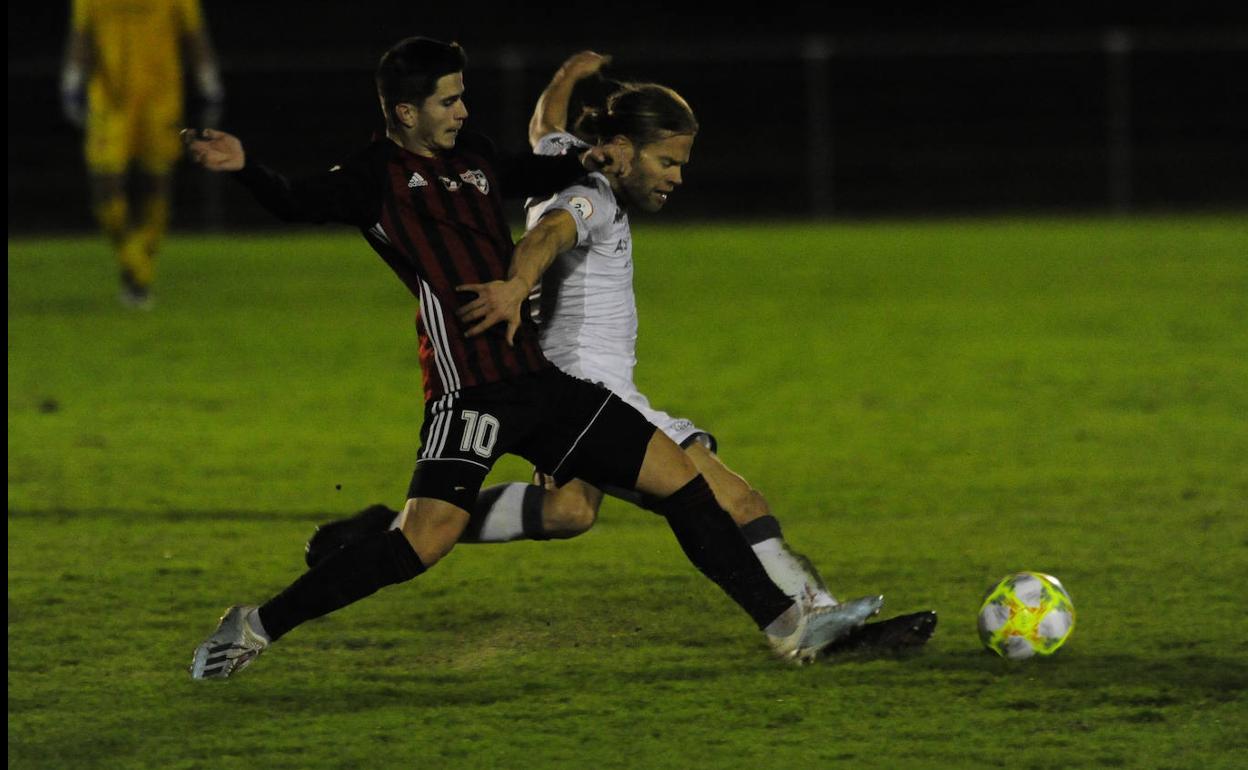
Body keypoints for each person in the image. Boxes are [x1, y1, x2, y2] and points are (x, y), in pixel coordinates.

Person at [184, 37, 883, 680]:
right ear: (405, 111)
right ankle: (254, 625)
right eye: (448, 100)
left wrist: (586, 154)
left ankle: (791, 626)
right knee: (421, 542)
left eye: (463, 95)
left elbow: (528, 160)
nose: (462, 109)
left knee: (680, 483)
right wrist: (246, 168)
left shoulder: (473, 157)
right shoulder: (374, 177)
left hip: (541, 383)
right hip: (471, 388)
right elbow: (298, 201)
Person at [61, 0, 223, 309]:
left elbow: (194, 36)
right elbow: (81, 36)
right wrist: (71, 82)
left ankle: (138, 276)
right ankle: (134, 264)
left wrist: (209, 85)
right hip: (109, 100)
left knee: (156, 182)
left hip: (160, 98)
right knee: (105, 184)